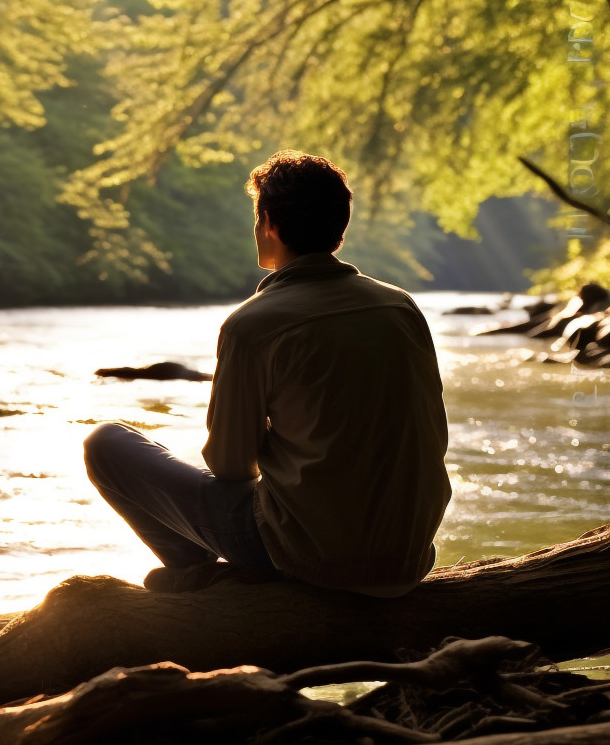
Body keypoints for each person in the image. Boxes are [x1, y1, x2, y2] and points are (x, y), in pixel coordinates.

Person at [84, 150, 451, 596]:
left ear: (270, 223)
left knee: (104, 444)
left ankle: (195, 575)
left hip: (313, 558)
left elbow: (229, 465)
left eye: (257, 219)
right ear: (340, 225)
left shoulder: (252, 325)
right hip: (409, 557)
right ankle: (217, 574)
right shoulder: (399, 306)